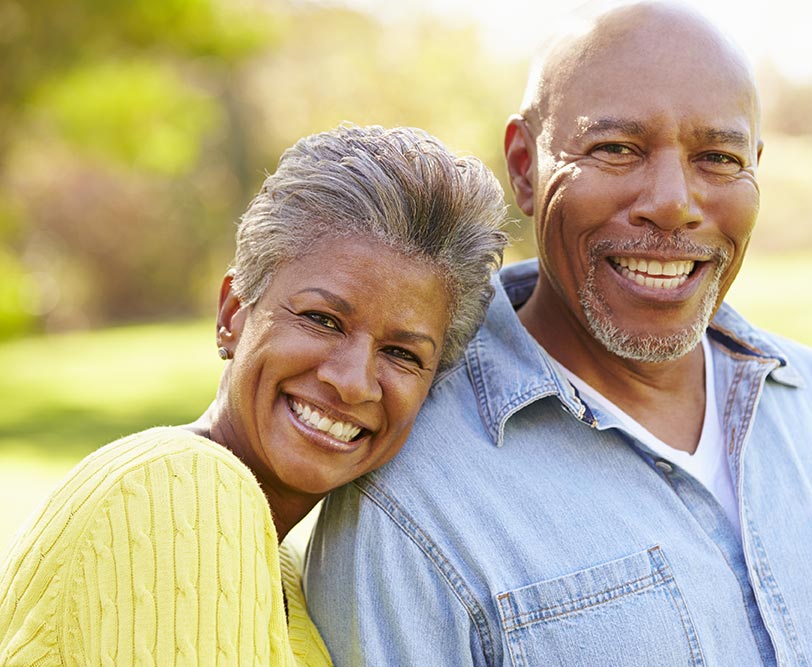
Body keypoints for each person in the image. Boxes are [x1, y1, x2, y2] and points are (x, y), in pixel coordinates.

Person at [305, 3, 812, 666]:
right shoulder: (408, 499)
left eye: (718, 157)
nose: (673, 201)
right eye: (616, 149)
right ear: (526, 167)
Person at [0, 124, 508, 665]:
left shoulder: (277, 564)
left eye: (403, 354)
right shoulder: (177, 491)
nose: (354, 380)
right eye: (322, 319)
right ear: (232, 314)